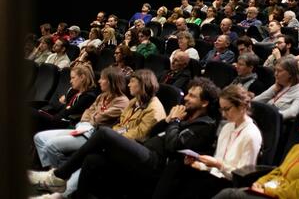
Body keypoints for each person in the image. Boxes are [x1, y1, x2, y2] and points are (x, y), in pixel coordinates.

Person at [29, 78, 219, 199]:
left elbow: (172, 145)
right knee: (94, 159)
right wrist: (169, 120)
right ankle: (71, 195)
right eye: (187, 94)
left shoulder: (204, 125)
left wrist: (175, 121)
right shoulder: (183, 116)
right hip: (145, 150)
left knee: (104, 133)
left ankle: (58, 176)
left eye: (192, 97)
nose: (186, 99)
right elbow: (154, 133)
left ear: (204, 102)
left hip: (157, 164)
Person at [30, 69, 166, 199]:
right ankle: (62, 189)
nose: (128, 84)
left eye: (132, 81)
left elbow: (139, 135)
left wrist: (113, 138)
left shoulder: (153, 108)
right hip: (117, 142)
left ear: (143, 84)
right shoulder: (134, 102)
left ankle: (57, 180)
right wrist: (114, 135)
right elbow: (120, 124)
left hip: (137, 153)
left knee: (102, 135)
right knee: (90, 158)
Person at [157, 84, 263, 199]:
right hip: (214, 177)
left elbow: (243, 177)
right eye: (222, 109)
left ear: (242, 106)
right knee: (176, 166)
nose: (223, 114)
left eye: (227, 109)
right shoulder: (228, 127)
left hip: (230, 185)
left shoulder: (251, 135)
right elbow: (217, 163)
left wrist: (218, 165)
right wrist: (200, 165)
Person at [213, 110, 299, 199]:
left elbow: (297, 191)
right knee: (229, 194)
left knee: (229, 195)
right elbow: (279, 171)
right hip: (271, 190)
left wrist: (267, 190)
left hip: (283, 196)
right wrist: (260, 183)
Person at [31, 65, 98, 133]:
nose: (70, 81)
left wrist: (63, 106)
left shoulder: (88, 96)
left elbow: (69, 112)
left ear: (82, 77)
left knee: (31, 113)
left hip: (66, 124)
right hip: (57, 118)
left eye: (73, 78)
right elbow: (59, 103)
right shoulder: (74, 91)